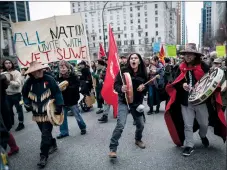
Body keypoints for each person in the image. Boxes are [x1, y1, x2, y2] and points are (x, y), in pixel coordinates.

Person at [165, 43, 226, 157]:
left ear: (195, 55)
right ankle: (189, 145)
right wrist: (182, 85)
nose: (188, 56)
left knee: (204, 123)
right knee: (187, 125)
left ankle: (202, 136)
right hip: (185, 101)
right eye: (186, 54)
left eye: (190, 54)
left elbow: (211, 80)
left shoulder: (203, 66)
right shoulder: (180, 67)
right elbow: (175, 82)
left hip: (201, 101)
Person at [22, 61, 64, 168]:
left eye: (41, 69)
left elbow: (57, 92)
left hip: (48, 111)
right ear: (33, 72)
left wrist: (59, 106)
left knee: (45, 134)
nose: (41, 71)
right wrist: (26, 103)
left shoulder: (49, 79)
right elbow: (24, 94)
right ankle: (53, 143)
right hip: (36, 112)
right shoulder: (28, 82)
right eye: (38, 70)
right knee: (45, 132)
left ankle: (43, 156)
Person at [109, 53, 148, 158]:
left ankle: (138, 139)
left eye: (136, 58)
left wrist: (143, 87)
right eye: (131, 58)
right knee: (120, 125)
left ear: (139, 61)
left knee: (141, 125)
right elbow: (115, 85)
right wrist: (121, 88)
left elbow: (148, 85)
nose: (133, 60)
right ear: (129, 61)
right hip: (124, 101)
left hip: (136, 103)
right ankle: (113, 148)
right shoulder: (123, 71)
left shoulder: (143, 73)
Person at [56, 60, 87, 139]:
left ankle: (83, 127)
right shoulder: (57, 77)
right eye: (61, 67)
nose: (62, 69)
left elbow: (76, 87)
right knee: (62, 118)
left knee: (77, 115)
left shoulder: (73, 76)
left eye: (64, 67)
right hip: (62, 101)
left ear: (67, 67)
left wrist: (66, 88)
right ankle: (64, 132)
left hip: (72, 100)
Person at [2, 59, 25, 131]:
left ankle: (21, 123)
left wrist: (9, 82)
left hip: (17, 95)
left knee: (19, 109)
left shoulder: (16, 73)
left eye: (9, 63)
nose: (8, 64)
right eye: (6, 63)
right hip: (7, 95)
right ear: (4, 65)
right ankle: (10, 122)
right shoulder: (3, 73)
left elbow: (18, 84)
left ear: (12, 64)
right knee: (8, 110)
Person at [0, 73, 19, 156]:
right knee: (4, 130)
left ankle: (3, 154)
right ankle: (13, 147)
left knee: (3, 130)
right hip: (3, 107)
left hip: (2, 108)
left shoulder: (2, 79)